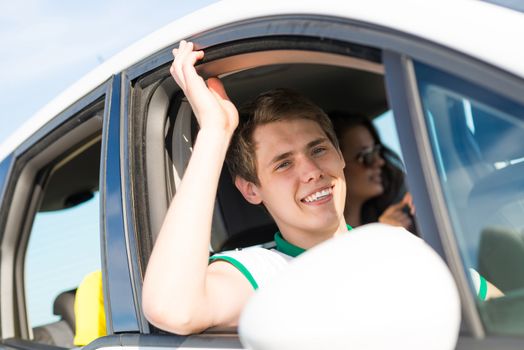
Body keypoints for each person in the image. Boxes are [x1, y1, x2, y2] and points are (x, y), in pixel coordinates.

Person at [142, 41, 350, 335]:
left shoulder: (397, 242)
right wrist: (216, 130)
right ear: (251, 190)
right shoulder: (264, 274)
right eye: (283, 164)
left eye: (317, 150)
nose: (312, 172)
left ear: (340, 155)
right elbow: (172, 308)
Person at [330, 112, 416, 232]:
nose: (380, 161)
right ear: (336, 166)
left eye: (376, 151)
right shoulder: (327, 245)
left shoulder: (404, 208)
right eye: (367, 156)